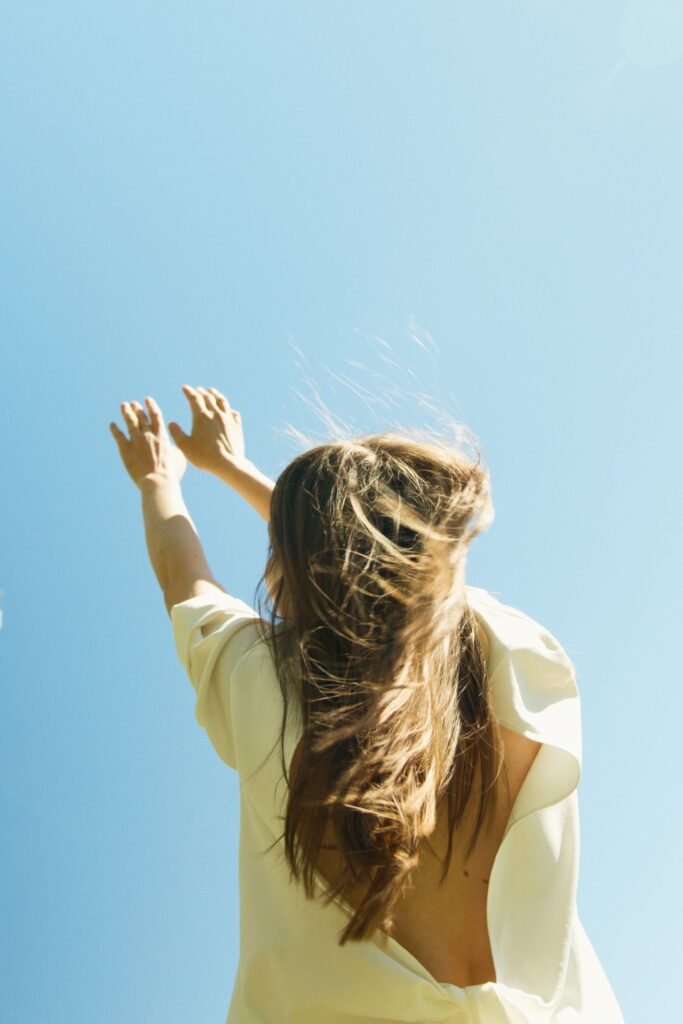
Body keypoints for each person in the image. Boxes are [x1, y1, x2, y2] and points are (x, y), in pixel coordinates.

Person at [109, 385, 625, 1024]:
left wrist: (160, 478)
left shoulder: (259, 681)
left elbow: (182, 576)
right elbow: (390, 562)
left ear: (295, 570)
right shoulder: (517, 657)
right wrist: (237, 470)